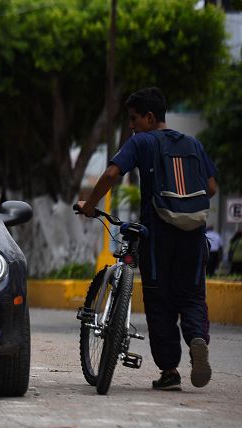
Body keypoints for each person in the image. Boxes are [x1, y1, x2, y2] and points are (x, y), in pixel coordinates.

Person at [76, 87, 218, 391]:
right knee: (192, 296)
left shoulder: (142, 141)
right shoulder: (193, 144)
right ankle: (196, 338)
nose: (131, 126)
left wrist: (89, 205)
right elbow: (212, 187)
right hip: (194, 235)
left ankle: (169, 371)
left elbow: (112, 173)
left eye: (133, 119)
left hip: (158, 236)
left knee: (160, 302)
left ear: (150, 117)